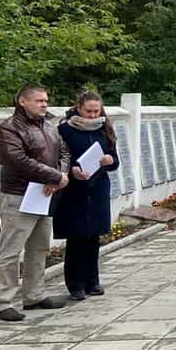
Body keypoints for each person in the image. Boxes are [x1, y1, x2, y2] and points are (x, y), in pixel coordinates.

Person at [0, 85, 71, 321]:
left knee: (39, 247)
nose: (44, 104)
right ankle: (3, 302)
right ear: (23, 102)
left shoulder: (49, 125)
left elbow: (64, 152)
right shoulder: (9, 128)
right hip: (19, 194)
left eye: (46, 100)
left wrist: (59, 177)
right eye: (39, 100)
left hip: (44, 194)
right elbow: (16, 160)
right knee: (11, 250)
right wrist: (54, 176)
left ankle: (34, 295)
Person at [54, 91, 120, 301]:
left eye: (96, 111)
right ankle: (75, 284)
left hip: (98, 187)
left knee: (93, 236)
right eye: (88, 111)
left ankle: (93, 281)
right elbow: (60, 158)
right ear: (79, 108)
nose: (92, 115)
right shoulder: (65, 130)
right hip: (74, 189)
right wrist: (73, 170)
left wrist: (109, 160)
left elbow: (115, 159)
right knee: (77, 237)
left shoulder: (104, 128)